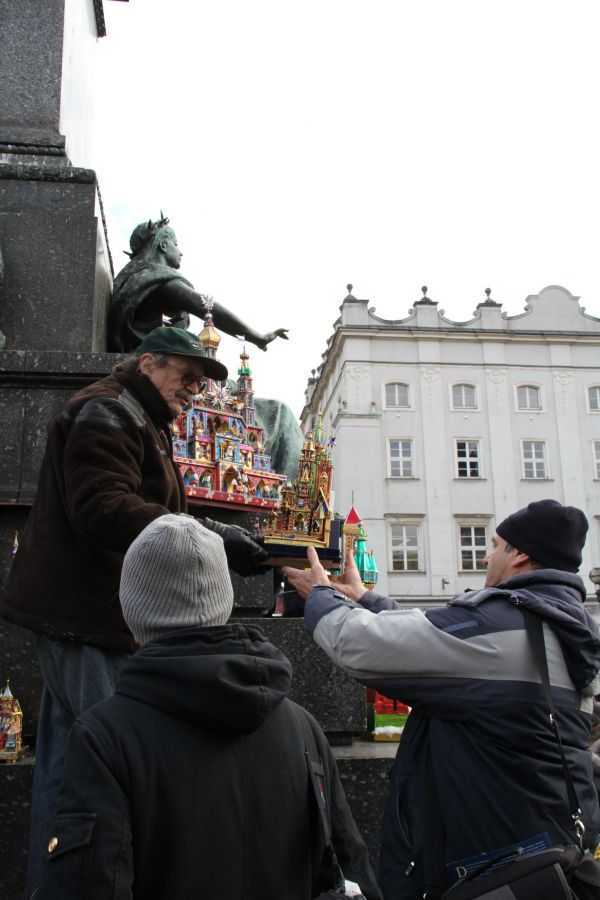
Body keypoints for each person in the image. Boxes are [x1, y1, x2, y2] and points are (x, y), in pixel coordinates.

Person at [0, 325, 267, 896]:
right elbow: (104, 508)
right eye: (185, 376)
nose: (194, 390)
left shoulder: (136, 415)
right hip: (89, 620)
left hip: (87, 618)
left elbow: (154, 505)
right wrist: (212, 538)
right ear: (148, 363)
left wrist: (220, 534)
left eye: (200, 381)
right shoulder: (108, 410)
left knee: (72, 761)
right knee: (113, 763)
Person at [33, 514, 382, 900]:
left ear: (131, 612)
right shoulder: (304, 729)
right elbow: (352, 872)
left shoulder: (104, 737)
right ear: (224, 601)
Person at [285, 499, 600, 900]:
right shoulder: (561, 626)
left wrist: (321, 596)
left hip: (485, 868)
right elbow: (448, 644)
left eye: (496, 545)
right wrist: (366, 598)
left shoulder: (504, 625)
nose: (486, 557)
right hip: (538, 849)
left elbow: (358, 644)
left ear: (520, 555)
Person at [108, 215, 289, 353]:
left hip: (149, 361)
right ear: (163, 245)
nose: (180, 252)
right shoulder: (156, 279)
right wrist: (258, 337)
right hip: (154, 366)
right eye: (175, 244)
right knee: (277, 405)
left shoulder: (135, 278)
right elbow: (206, 306)